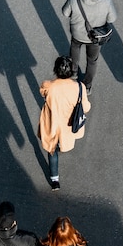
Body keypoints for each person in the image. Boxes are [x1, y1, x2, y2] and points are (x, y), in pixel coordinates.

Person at [37, 56, 91, 191]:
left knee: (52, 149)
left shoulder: (48, 86)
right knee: (63, 142)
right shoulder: (79, 87)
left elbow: (42, 92)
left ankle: (54, 179)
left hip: (52, 124)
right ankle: (62, 144)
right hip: (68, 124)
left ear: (56, 70)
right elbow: (86, 107)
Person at [61, 0, 117, 96]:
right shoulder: (106, 1)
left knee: (75, 49)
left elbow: (65, 13)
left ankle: (73, 74)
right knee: (92, 61)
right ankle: (87, 86)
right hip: (95, 37)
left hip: (77, 34)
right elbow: (112, 19)